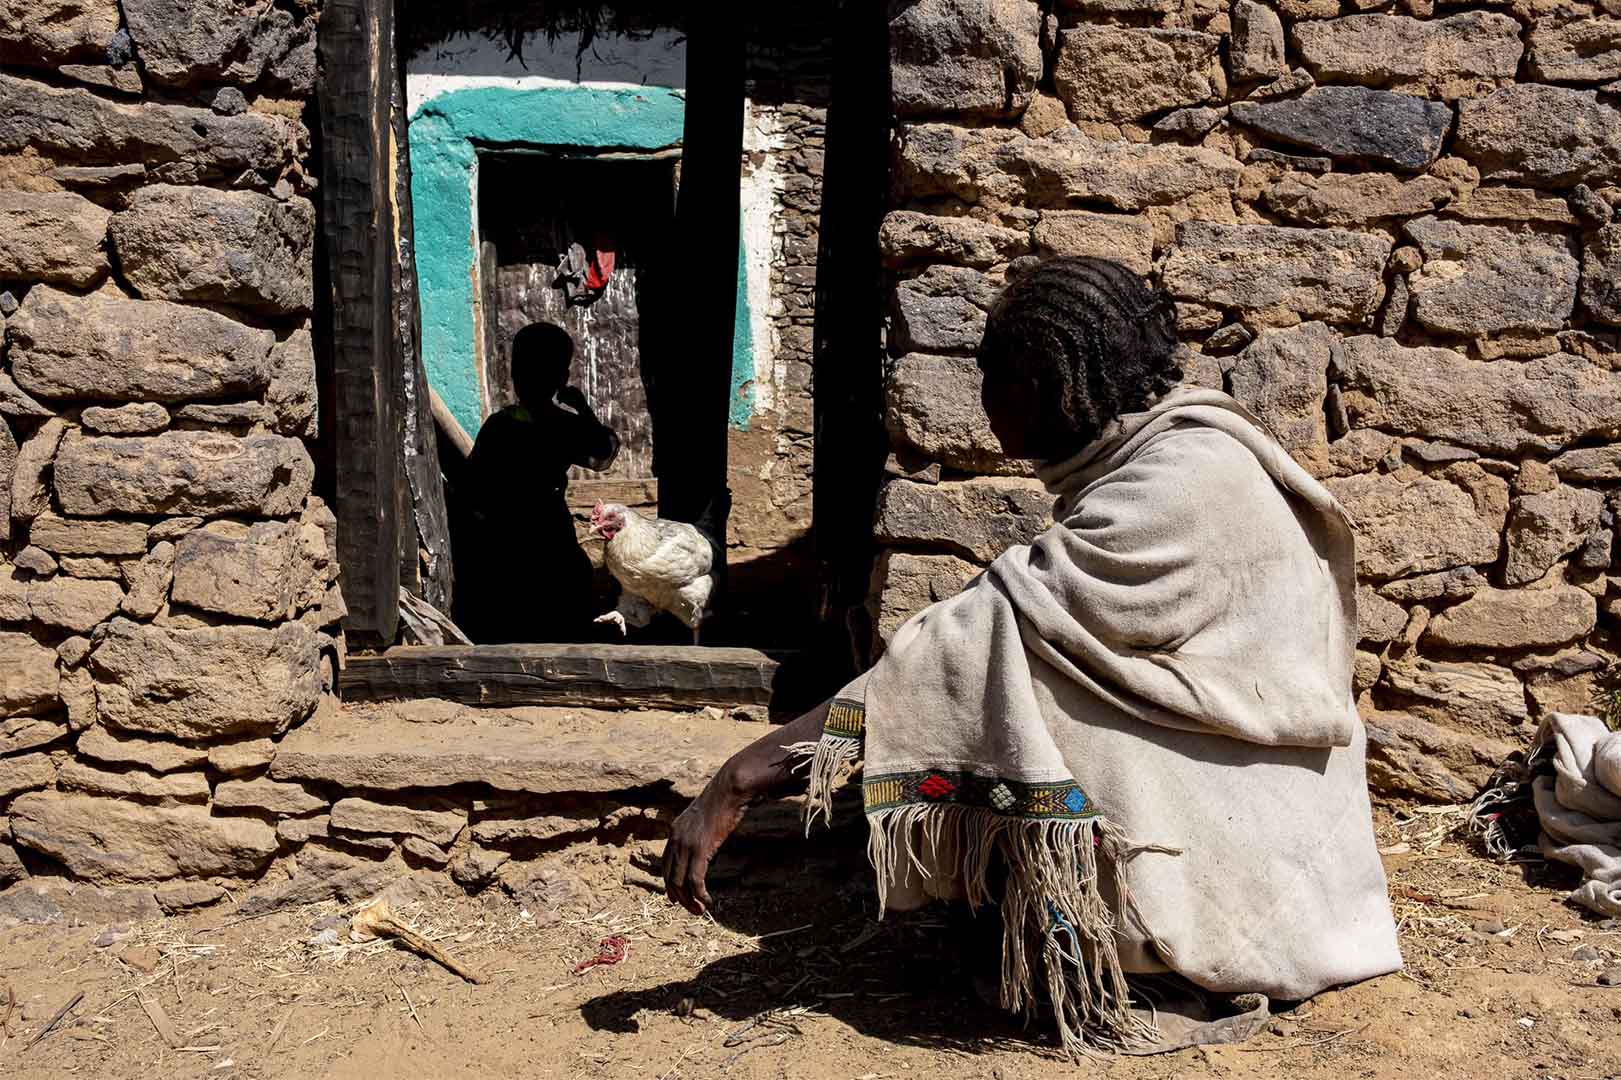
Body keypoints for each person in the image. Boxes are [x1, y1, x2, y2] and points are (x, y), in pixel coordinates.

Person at [660, 257, 1402, 1054]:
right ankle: (1074, 926)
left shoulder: (1184, 482)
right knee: (1008, 667)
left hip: (1260, 869)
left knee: (1013, 676)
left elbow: (968, 641)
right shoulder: (1164, 458)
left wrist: (748, 773)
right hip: (1244, 795)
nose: (982, 397)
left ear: (1048, 381)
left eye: (993, 372)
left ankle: (1138, 957)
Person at [460, 322, 620, 644]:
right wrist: (583, 408)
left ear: (515, 374)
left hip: (503, 539)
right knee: (568, 588)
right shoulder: (562, 426)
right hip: (549, 535)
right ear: (561, 378)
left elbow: (472, 486)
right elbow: (604, 453)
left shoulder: (499, 426)